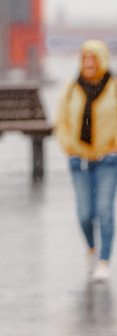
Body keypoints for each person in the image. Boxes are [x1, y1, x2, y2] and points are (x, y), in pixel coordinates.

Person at [55, 40, 117, 282]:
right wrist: (68, 147)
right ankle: (91, 247)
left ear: (101, 60)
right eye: (85, 59)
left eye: (93, 59)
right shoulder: (72, 87)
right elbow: (62, 119)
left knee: (104, 209)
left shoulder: (113, 86)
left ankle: (104, 259)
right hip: (79, 159)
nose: (89, 64)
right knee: (84, 213)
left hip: (108, 159)